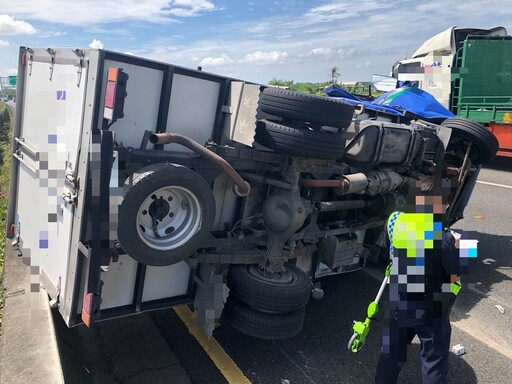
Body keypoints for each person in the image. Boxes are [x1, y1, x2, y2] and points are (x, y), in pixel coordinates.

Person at [374, 175, 475, 384]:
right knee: (434, 360)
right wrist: (465, 245)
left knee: (391, 353)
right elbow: (457, 271)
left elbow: (394, 249)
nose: (447, 207)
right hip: (432, 307)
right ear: (437, 206)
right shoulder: (444, 238)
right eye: (445, 203)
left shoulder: (396, 221)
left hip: (399, 302)